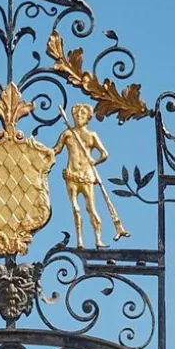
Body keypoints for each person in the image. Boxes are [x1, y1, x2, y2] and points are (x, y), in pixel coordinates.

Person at [54, 102, 128, 248]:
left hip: (87, 176)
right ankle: (79, 241)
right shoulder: (67, 134)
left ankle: (98, 239)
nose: (79, 116)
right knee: (76, 209)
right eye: (76, 113)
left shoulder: (91, 135)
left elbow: (104, 153)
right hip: (71, 175)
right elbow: (56, 149)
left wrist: (95, 161)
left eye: (82, 114)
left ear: (88, 117)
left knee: (91, 208)